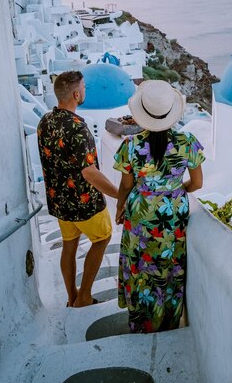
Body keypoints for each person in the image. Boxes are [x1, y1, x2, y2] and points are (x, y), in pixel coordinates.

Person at [114, 80, 204, 333]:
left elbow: (125, 186)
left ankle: (142, 322)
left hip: (140, 212)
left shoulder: (130, 146)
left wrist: (120, 207)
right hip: (172, 214)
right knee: (170, 267)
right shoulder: (188, 142)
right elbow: (197, 183)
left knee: (141, 265)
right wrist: (174, 191)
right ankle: (168, 321)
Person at [37, 70, 119, 307]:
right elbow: (89, 172)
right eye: (83, 88)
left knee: (69, 246)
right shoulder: (78, 127)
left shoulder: (46, 121)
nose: (85, 91)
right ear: (76, 93)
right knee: (103, 238)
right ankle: (83, 296)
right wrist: (119, 194)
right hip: (84, 203)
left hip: (60, 202)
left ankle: (71, 295)